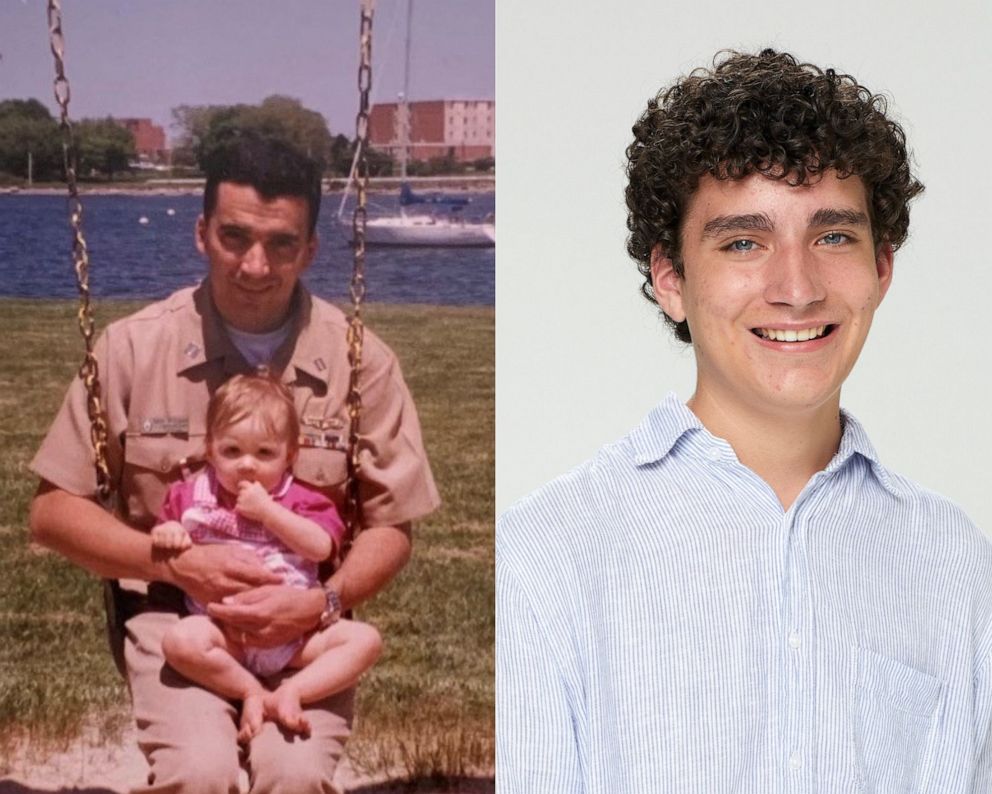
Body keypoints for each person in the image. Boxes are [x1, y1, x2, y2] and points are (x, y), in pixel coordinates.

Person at [496, 49, 992, 792]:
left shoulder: (956, 565)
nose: (796, 287)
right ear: (671, 280)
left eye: (833, 237)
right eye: (743, 243)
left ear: (882, 269)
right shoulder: (547, 556)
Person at [29, 132, 440, 793]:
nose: (256, 264)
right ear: (200, 233)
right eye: (234, 237)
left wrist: (321, 602)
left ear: (310, 247)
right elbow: (52, 512)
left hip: (307, 617)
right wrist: (173, 561)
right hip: (178, 612)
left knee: (295, 774)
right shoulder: (133, 350)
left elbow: (394, 527)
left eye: (281, 244)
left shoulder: (362, 362)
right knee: (200, 772)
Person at [151, 372, 382, 744]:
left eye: (264, 453)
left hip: (295, 639)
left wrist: (269, 513)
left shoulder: (302, 500)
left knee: (365, 641)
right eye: (231, 451)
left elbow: (321, 547)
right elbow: (167, 529)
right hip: (223, 634)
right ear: (210, 450)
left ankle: (293, 691)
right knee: (179, 642)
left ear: (289, 456)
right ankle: (249, 691)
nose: (247, 464)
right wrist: (169, 533)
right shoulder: (190, 494)